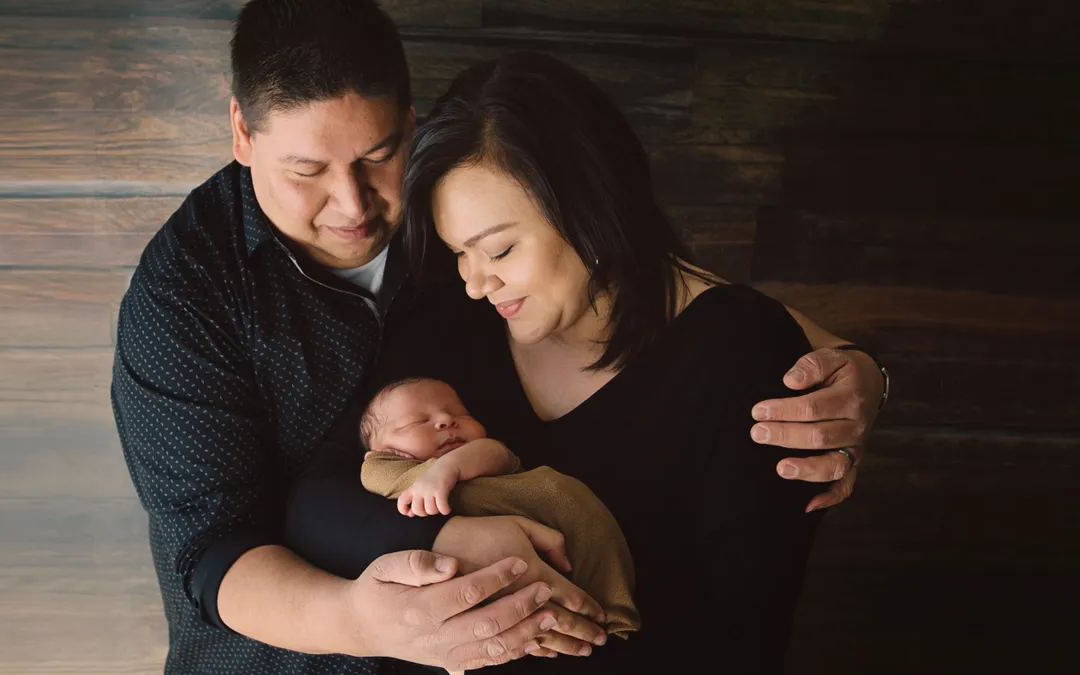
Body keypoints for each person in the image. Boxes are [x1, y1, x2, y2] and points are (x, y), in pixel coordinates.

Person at [109, 1, 888, 674]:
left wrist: (858, 368)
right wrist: (377, 606)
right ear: (242, 133)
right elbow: (212, 552)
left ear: (409, 128)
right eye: (305, 170)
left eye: (379, 158)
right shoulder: (191, 295)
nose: (351, 204)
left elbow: (674, 297)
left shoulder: (450, 244)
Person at [358, 377, 641, 637]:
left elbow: (494, 451)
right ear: (384, 452)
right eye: (416, 422)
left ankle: (614, 614)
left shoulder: (480, 455)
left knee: (596, 561)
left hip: (560, 515)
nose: (447, 420)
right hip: (489, 588)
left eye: (461, 414)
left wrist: (448, 469)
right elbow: (376, 476)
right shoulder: (385, 471)